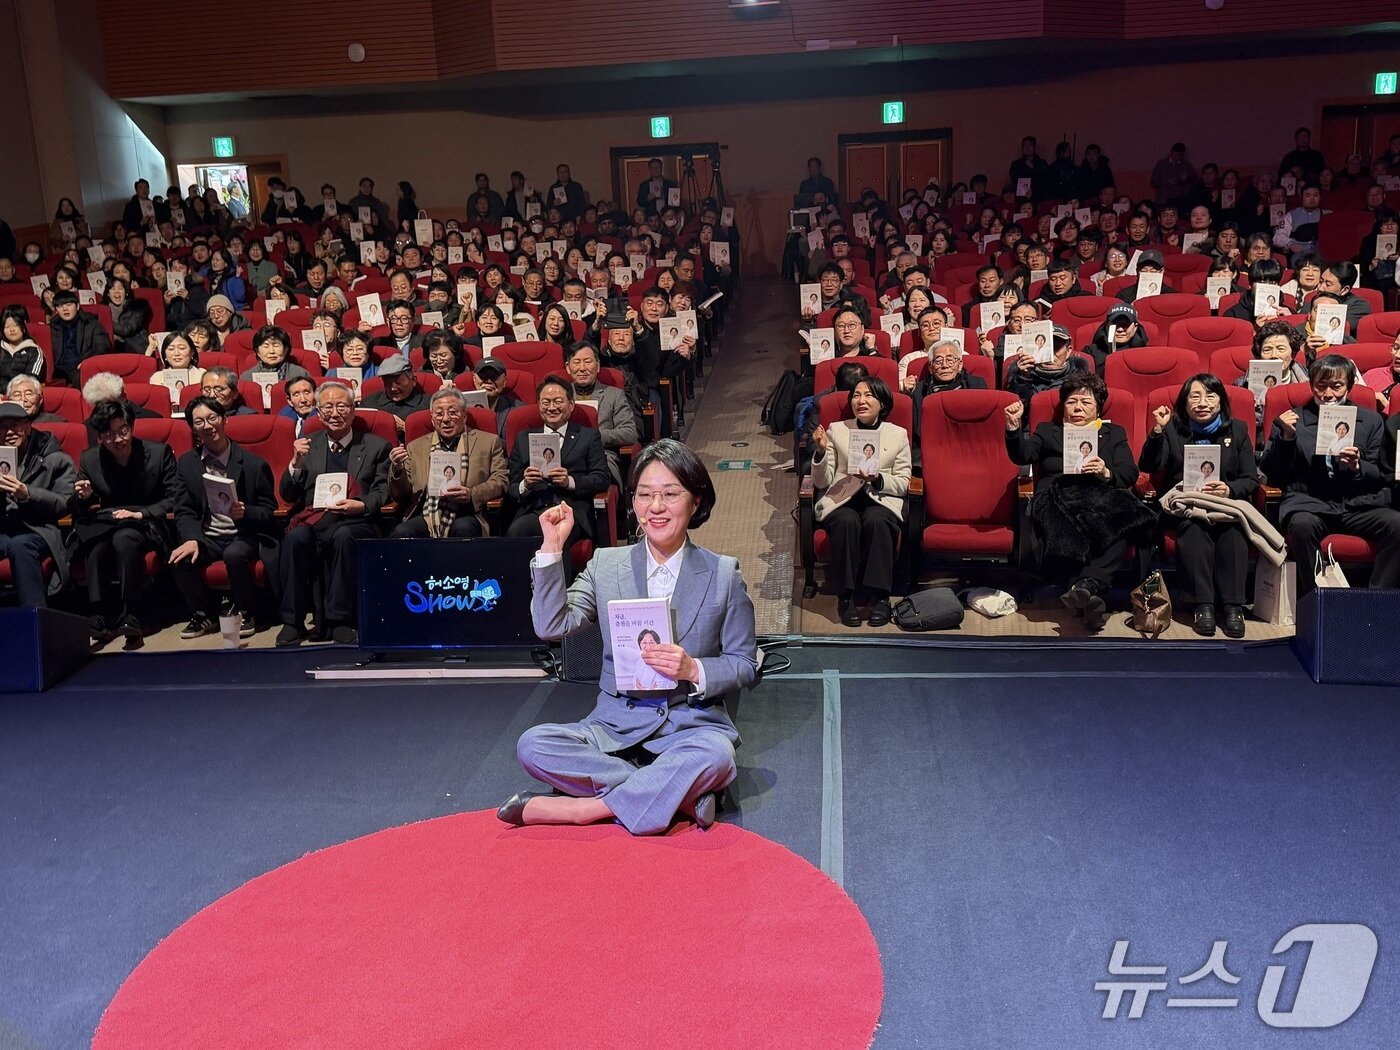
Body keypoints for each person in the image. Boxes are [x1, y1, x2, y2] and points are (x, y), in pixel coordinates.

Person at [500, 439, 758, 834]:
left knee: (717, 755)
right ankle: (681, 795)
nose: (656, 507)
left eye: (670, 494)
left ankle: (585, 809)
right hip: (612, 727)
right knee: (533, 744)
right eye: (645, 495)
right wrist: (552, 549)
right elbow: (552, 626)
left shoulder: (723, 574)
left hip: (689, 726)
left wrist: (693, 668)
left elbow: (743, 665)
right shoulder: (606, 564)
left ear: (696, 500)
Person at [1004, 373, 1152, 631]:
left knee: (1121, 522)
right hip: (1056, 496)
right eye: (1072, 402)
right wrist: (1014, 428)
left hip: (1100, 493)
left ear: (1098, 408)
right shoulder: (1048, 431)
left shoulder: (1113, 433)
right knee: (1072, 525)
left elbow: (1128, 472)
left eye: (1086, 402)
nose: (1078, 408)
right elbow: (1022, 455)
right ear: (1064, 405)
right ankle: (1089, 589)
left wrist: (1106, 472)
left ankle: (1084, 588)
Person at [1260, 355, 1400, 597]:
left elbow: (1381, 473)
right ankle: (1317, 600)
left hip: (1358, 504)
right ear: (1311, 384)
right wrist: (1286, 437)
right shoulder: (1292, 419)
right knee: (1302, 526)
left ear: (1349, 387)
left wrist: (1358, 467)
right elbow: (1272, 473)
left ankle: (1377, 599)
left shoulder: (1371, 420)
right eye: (1320, 386)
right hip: (1310, 502)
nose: (1328, 394)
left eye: (1336, 386)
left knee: (1397, 524)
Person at [276, 381, 391, 646]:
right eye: (327, 406)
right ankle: (292, 622)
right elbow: (289, 496)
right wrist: (295, 464)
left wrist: (361, 504)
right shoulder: (307, 446)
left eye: (342, 406)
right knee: (294, 539)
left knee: (343, 535)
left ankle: (340, 620)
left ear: (353, 409)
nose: (335, 412)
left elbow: (384, 490)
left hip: (356, 520)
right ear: (318, 412)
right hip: (315, 520)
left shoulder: (375, 446)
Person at [1141, 376, 1258, 637]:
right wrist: (1158, 431)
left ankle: (1232, 606)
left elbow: (1250, 479)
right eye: (1194, 397)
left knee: (1233, 530)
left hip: (1224, 505)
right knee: (1193, 527)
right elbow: (1149, 466)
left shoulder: (1237, 430)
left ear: (1221, 401)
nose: (1202, 403)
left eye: (1210, 396)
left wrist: (1229, 489)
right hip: (1185, 506)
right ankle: (1202, 604)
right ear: (1185, 403)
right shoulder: (1173, 428)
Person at [170, 396, 279, 639]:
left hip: (243, 534)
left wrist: (246, 511)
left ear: (224, 420)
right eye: (199, 422)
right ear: (193, 428)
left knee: (234, 554)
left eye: (212, 418)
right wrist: (191, 539)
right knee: (180, 558)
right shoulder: (187, 464)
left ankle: (246, 611)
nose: (207, 426)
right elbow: (184, 509)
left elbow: (269, 511)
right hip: (208, 535)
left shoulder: (252, 463)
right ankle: (202, 615)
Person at [72, 399, 179, 644]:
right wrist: (83, 497)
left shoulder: (158, 453)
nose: (118, 440)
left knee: (124, 539)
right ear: (99, 436)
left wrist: (141, 514)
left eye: (123, 431)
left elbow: (175, 498)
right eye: (109, 435)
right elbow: (79, 505)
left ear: (131, 426)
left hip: (146, 520)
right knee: (94, 541)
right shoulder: (90, 459)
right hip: (108, 522)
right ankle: (98, 615)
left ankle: (132, 614)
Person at [810, 377, 912, 627]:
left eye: (868, 396)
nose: (861, 401)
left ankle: (880, 597)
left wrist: (878, 479)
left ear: (882, 403)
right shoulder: (837, 429)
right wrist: (822, 452)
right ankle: (846, 597)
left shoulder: (897, 435)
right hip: (843, 497)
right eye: (856, 395)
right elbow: (822, 482)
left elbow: (903, 482)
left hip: (881, 499)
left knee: (877, 520)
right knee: (846, 521)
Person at [505, 376, 610, 554]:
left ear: (571, 405)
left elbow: (601, 478)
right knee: (517, 532)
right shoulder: (523, 438)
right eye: (546, 402)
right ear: (539, 405)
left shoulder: (588, 436)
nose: (552, 407)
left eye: (558, 401)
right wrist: (526, 484)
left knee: (557, 538)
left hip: (570, 510)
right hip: (534, 509)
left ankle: (563, 583)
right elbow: (511, 487)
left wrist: (569, 481)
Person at [389, 387, 507, 538]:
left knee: (463, 529)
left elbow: (501, 480)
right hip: (428, 511)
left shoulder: (488, 442)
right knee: (402, 532)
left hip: (468, 511)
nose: (445, 419)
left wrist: (472, 493)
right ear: (432, 419)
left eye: (452, 412)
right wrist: (398, 470)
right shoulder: (415, 447)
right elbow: (401, 494)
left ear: (464, 416)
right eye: (439, 414)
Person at [0, 401, 75, 607]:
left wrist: (27, 493)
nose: (9, 432)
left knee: (20, 546)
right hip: (3, 528)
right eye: (2, 427)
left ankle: (34, 619)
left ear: (27, 426)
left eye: (14, 425)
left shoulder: (54, 458)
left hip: (38, 529)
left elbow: (65, 501)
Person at [565, 341, 638, 488]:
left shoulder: (614, 395)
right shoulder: (560, 398)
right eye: (577, 362)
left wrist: (593, 438)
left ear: (598, 366)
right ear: (568, 367)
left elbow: (630, 433)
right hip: (566, 459)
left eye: (587, 362)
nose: (582, 368)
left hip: (602, 457)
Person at [48, 289, 111, 386]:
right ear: (56, 310)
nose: (65, 309)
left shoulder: (91, 323)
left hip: (82, 366)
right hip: (59, 370)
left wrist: (87, 363)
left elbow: (103, 347)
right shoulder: (52, 327)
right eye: (60, 306)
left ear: (77, 306)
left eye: (69, 305)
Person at [361, 353, 430, 430]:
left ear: (413, 380)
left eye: (398, 383)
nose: (393, 388)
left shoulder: (429, 405)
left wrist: (406, 428)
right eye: (387, 383)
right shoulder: (369, 403)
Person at [0, 305, 45, 389]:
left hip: (22, 395)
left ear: (24, 327)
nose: (12, 329)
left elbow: (32, 379)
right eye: (7, 327)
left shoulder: (34, 351)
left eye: (16, 325)